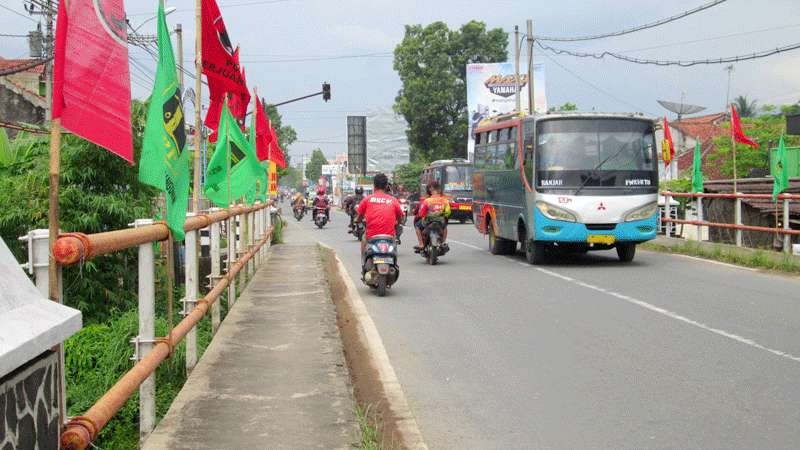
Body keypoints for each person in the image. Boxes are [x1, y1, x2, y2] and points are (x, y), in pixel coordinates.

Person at [355, 173, 404, 261]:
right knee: (394, 243)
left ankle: (363, 261)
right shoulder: (393, 200)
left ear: (374, 185)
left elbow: (359, 217)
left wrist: (357, 221)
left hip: (371, 235)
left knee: (363, 239)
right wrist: (398, 222)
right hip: (389, 236)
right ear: (386, 186)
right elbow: (400, 217)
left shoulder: (367, 199)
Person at [415, 180, 451, 252]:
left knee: (417, 226)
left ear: (430, 189)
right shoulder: (445, 200)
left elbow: (421, 213)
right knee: (445, 226)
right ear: (439, 189)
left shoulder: (427, 201)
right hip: (440, 222)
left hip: (428, 222)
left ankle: (421, 244)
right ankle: (443, 242)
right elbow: (448, 212)